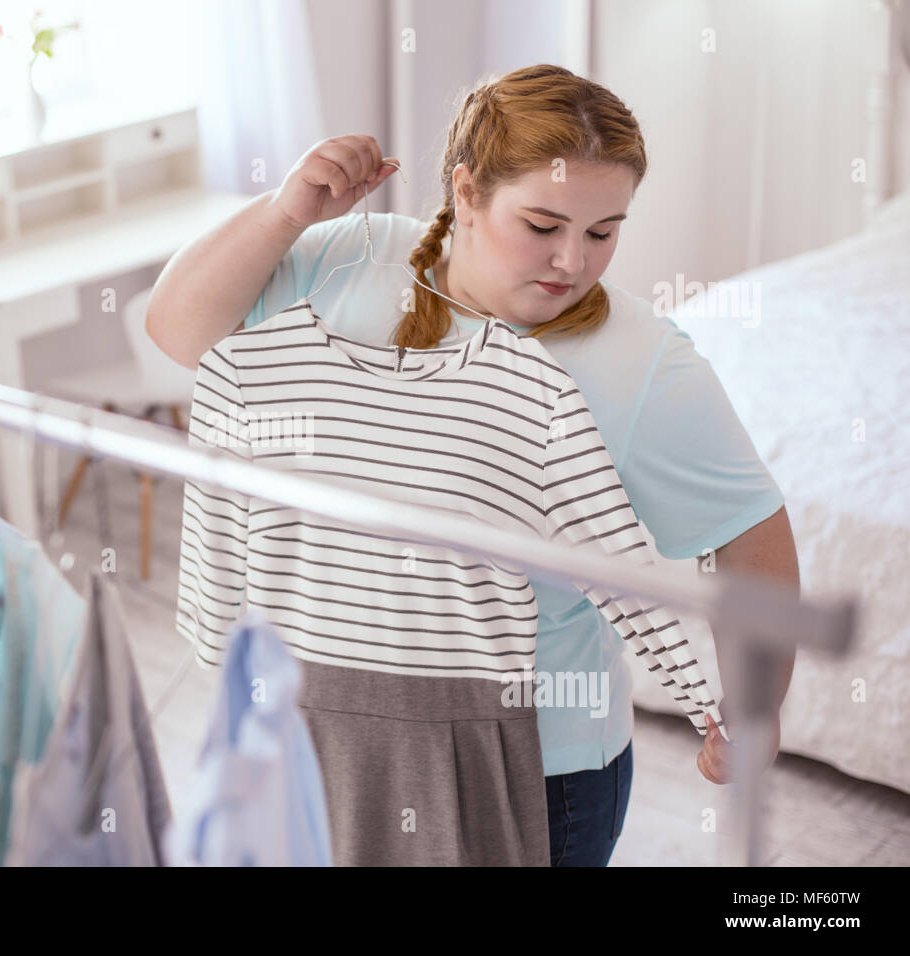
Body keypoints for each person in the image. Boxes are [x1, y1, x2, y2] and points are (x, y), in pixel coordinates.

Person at [146, 63, 799, 866]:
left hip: (533, 766)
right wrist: (285, 214)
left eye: (602, 232)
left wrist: (749, 710)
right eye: (543, 224)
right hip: (315, 730)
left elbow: (750, 531)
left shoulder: (640, 363)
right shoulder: (346, 263)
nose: (571, 262)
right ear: (465, 190)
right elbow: (179, 333)